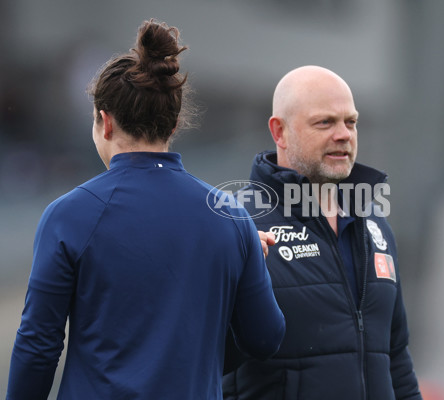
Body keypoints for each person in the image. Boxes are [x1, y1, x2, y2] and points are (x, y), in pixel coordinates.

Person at [6, 20, 285, 400]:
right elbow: (265, 338)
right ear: (172, 126)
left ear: (104, 122)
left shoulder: (68, 215)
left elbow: (39, 346)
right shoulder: (230, 217)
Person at [223, 65, 422, 399]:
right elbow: (203, 357)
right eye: (325, 122)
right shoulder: (236, 224)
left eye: (351, 122)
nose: (344, 134)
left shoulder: (374, 223)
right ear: (280, 132)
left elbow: (396, 358)